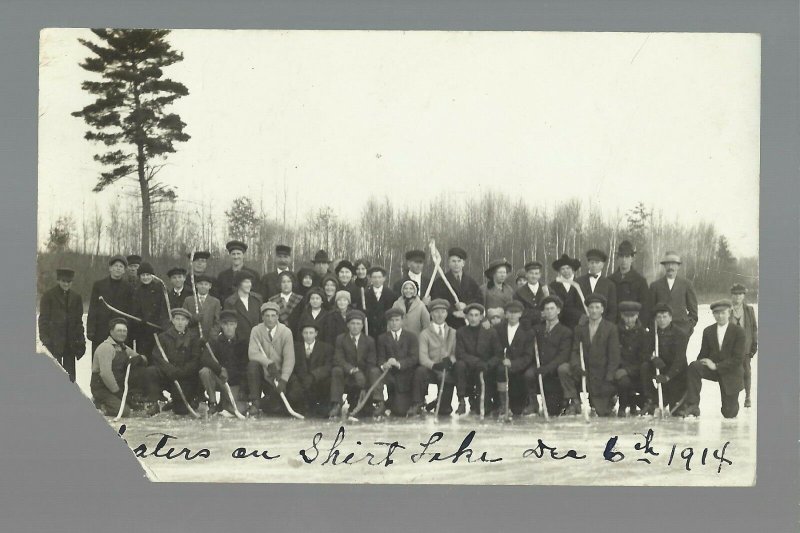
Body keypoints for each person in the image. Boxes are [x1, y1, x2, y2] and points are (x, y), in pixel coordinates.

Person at [679, 300, 745, 419]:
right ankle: (693, 405)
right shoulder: (708, 331)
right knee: (694, 366)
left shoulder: (738, 332)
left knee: (729, 413)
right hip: (713, 370)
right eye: (716, 313)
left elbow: (738, 359)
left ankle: (731, 402)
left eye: (723, 313)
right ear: (713, 314)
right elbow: (703, 354)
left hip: (731, 373)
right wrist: (700, 364)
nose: (720, 316)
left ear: (729, 313)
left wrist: (717, 366)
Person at [559, 294, 620, 417]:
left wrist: (609, 377)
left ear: (602, 310)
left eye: (597, 307)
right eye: (591, 307)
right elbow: (575, 350)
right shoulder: (580, 328)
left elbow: (614, 355)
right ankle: (575, 401)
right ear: (587, 309)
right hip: (584, 370)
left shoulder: (610, 328)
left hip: (601, 373)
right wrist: (576, 366)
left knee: (602, 412)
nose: (594, 310)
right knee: (564, 369)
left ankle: (609, 399)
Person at [246, 301, 300, 417]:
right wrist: (268, 363)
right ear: (262, 317)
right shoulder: (256, 330)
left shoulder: (286, 332)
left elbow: (289, 359)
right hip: (264, 374)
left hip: (279, 375)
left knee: (279, 405)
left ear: (278, 317)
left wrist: (284, 380)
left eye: (273, 316)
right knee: (252, 365)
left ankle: (269, 401)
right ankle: (255, 402)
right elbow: (252, 353)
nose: (270, 319)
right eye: (267, 316)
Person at [145, 307, 202, 415]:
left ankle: (178, 401)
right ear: (173, 320)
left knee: (181, 411)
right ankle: (154, 403)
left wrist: (183, 372)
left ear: (187, 322)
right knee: (151, 371)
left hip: (185, 377)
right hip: (168, 375)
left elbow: (195, 359)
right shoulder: (163, 337)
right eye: (177, 319)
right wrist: (171, 370)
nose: (180, 322)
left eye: (183, 320)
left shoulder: (193, 338)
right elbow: (158, 357)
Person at [523, 295, 572, 416]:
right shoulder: (536, 329)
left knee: (552, 411)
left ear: (558, 310)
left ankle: (564, 402)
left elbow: (563, 355)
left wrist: (548, 368)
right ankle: (533, 402)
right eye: (546, 309)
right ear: (543, 312)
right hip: (539, 367)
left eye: (552, 308)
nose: (549, 312)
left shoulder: (565, 331)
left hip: (554, 371)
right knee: (528, 374)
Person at [90, 318, 149, 417]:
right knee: (124, 411)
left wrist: (140, 359)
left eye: (124, 331)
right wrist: (118, 393)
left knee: (134, 407)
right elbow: (105, 374)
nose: (122, 333)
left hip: (117, 386)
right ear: (111, 332)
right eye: (119, 331)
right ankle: (98, 404)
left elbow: (143, 359)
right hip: (102, 388)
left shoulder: (123, 347)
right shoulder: (106, 347)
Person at [408, 299, 457, 416]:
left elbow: (456, 353)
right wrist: (434, 365)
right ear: (430, 314)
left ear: (446, 314)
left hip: (446, 370)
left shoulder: (453, 332)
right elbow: (422, 357)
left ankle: (440, 403)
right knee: (419, 371)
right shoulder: (425, 334)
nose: (440, 315)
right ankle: (418, 402)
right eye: (436, 312)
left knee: (444, 411)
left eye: (443, 312)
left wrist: (450, 361)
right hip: (431, 369)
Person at [328, 310, 379, 418]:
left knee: (374, 371)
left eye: (358, 323)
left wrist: (363, 380)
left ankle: (377, 403)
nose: (355, 326)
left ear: (362, 326)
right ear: (348, 325)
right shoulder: (341, 339)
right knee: (336, 370)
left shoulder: (369, 341)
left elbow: (371, 362)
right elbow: (339, 359)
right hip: (347, 375)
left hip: (363, 377)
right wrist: (353, 370)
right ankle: (336, 404)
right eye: (352, 323)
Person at [454, 303, 502, 415]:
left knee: (483, 409)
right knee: (459, 365)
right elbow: (460, 353)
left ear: (481, 317)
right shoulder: (461, 332)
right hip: (469, 367)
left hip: (486, 369)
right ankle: (461, 401)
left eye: (476, 315)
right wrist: (476, 362)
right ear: (466, 317)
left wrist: (488, 364)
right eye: (471, 315)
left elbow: (498, 354)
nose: (473, 318)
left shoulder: (490, 332)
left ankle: (483, 400)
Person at [198, 310, 249, 416]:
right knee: (205, 371)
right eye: (226, 324)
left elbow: (245, 366)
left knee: (239, 410)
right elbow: (205, 359)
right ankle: (212, 402)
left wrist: (243, 387)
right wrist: (220, 369)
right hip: (220, 379)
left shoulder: (243, 342)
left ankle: (224, 402)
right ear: (221, 325)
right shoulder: (215, 341)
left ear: (236, 325)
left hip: (235, 382)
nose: (229, 327)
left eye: (231, 324)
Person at [38, 268, 86, 382]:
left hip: (70, 343)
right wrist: (45, 338)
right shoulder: (48, 296)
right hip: (54, 342)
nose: (66, 284)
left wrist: (80, 340)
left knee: (70, 376)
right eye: (63, 281)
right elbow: (43, 319)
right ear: (58, 280)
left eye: (69, 282)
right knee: (54, 374)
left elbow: (78, 322)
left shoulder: (76, 297)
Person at [641, 303, 688, 415]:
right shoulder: (653, 333)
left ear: (671, 318)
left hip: (675, 372)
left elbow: (679, 360)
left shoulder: (680, 334)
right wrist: (652, 358)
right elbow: (644, 353)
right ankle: (651, 399)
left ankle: (677, 401)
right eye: (659, 317)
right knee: (644, 367)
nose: (662, 320)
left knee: (675, 408)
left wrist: (667, 377)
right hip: (660, 367)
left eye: (665, 317)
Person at [492, 300, 535, 417]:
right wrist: (503, 361)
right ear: (505, 314)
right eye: (509, 312)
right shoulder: (497, 329)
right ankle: (503, 404)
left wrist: (513, 363)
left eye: (516, 312)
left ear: (520, 314)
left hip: (520, 367)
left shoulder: (528, 331)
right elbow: (495, 349)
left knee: (518, 408)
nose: (512, 315)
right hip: (503, 366)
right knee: (500, 371)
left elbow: (528, 355)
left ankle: (524, 403)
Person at [87, 255, 134, 357]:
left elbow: (131, 311)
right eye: (115, 266)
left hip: (120, 332)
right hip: (101, 331)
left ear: (124, 270)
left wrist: (128, 331)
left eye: (121, 266)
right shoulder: (99, 285)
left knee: (119, 363)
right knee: (100, 363)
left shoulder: (129, 288)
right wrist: (90, 329)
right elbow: (93, 308)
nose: (118, 268)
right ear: (110, 268)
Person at [376, 308, 419, 417]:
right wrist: (384, 364)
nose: (394, 323)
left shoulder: (411, 337)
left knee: (401, 411)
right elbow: (380, 358)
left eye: (397, 320)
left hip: (406, 374)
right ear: (388, 322)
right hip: (390, 375)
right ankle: (385, 403)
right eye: (391, 320)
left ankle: (411, 402)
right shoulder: (382, 338)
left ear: (402, 321)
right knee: (398, 410)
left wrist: (399, 363)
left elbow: (414, 358)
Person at [428, 247, 480, 329]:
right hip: (449, 324)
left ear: (463, 263)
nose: (456, 264)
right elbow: (437, 301)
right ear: (449, 263)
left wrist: (466, 306)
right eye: (453, 261)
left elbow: (478, 299)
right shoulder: (440, 282)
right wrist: (453, 312)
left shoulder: (471, 282)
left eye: (459, 261)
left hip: (468, 323)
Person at [649, 252, 698, 338]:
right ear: (664, 266)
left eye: (673, 264)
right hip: (661, 332)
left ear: (678, 266)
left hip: (681, 332)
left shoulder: (687, 284)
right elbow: (650, 311)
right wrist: (654, 328)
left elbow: (693, 312)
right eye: (668, 264)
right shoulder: (655, 286)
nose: (670, 267)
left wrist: (688, 328)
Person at [614, 301, 651, 416]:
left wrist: (628, 370)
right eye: (626, 316)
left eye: (632, 316)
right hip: (619, 369)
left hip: (637, 372)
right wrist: (620, 368)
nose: (629, 320)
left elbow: (644, 357)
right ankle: (622, 406)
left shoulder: (644, 334)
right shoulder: (615, 331)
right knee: (623, 380)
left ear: (637, 315)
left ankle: (635, 402)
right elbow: (613, 353)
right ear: (621, 316)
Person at [292, 321, 334, 417]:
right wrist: (301, 378)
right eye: (305, 333)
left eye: (311, 333)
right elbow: (292, 366)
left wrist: (313, 375)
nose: (308, 336)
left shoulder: (326, 348)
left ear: (316, 333)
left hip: (318, 382)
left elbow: (328, 366)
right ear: (302, 334)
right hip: (301, 382)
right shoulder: (295, 348)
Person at [130, 262, 171, 360]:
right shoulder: (137, 291)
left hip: (157, 330)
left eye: (148, 275)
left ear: (152, 276)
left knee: (158, 356)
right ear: (139, 277)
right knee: (144, 356)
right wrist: (139, 320)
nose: (145, 277)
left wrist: (161, 324)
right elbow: (134, 310)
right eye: (143, 275)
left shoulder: (159, 289)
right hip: (143, 331)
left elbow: (164, 309)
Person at [609, 240, 651, 325]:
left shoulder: (640, 281)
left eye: (627, 256)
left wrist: (639, 326)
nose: (624, 260)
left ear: (632, 258)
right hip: (614, 326)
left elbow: (645, 308)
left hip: (633, 327)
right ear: (617, 258)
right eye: (621, 256)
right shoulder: (610, 280)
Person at [729, 283, 758, 407]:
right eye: (735, 294)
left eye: (740, 294)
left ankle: (747, 397)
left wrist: (754, 345)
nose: (738, 297)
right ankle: (732, 398)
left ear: (744, 296)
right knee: (732, 372)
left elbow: (754, 328)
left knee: (746, 371)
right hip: (730, 348)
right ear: (732, 295)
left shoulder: (749, 310)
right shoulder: (727, 309)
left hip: (745, 347)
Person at [576, 249, 617, 321]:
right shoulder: (578, 282)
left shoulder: (609, 284)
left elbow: (612, 310)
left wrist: (604, 325)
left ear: (602, 265)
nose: (594, 265)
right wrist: (581, 317)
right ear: (588, 264)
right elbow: (570, 306)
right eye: (592, 262)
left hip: (603, 328)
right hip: (582, 326)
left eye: (597, 262)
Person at [222, 270, 263, 343]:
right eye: (246, 282)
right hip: (238, 343)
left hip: (257, 341)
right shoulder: (230, 302)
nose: (249, 284)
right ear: (239, 284)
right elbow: (229, 324)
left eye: (250, 282)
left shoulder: (257, 299)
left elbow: (261, 321)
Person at [547, 254, 585, 329]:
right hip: (560, 322)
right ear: (559, 271)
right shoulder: (553, 285)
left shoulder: (581, 284)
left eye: (568, 268)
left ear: (573, 269)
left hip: (578, 323)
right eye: (563, 269)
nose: (566, 271)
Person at [359, 266, 397, 339]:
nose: (377, 280)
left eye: (379, 277)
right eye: (374, 277)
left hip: (386, 331)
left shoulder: (392, 295)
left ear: (384, 278)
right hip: (370, 332)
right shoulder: (364, 295)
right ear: (370, 279)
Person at [182, 274, 221, 341]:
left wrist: (212, 335)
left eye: (206, 284)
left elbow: (218, 321)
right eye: (201, 284)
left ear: (210, 286)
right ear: (196, 285)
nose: (203, 286)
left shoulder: (215, 302)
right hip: (192, 338)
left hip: (209, 338)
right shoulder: (188, 300)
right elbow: (183, 320)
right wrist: (194, 319)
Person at [513, 260, 548, 329]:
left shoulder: (546, 289)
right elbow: (518, 311)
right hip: (526, 328)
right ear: (526, 274)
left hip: (545, 327)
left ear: (540, 275)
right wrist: (539, 314)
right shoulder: (518, 293)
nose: (534, 276)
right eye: (531, 273)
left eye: (536, 273)